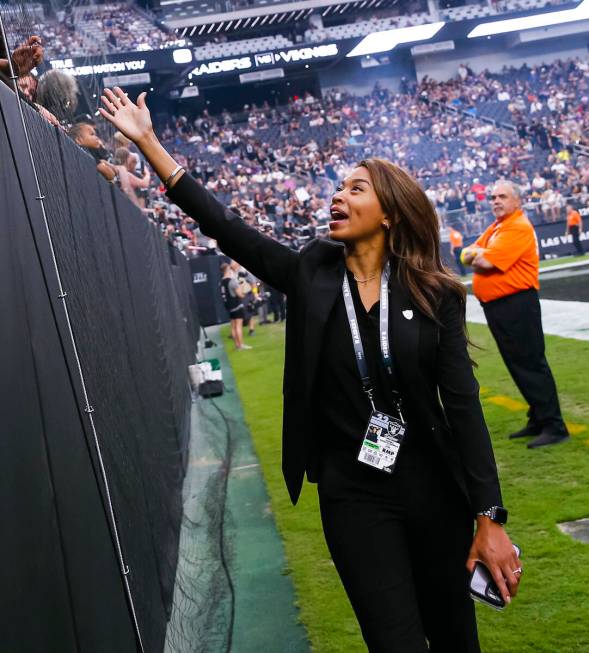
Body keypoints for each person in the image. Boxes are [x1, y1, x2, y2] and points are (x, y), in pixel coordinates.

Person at [99, 87, 522, 652]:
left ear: (390, 212)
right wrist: (149, 143)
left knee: (453, 639)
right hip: (353, 494)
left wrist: (489, 517)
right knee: (393, 641)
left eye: (356, 189)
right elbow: (226, 227)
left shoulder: (434, 293)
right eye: (337, 188)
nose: (337, 197)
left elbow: (463, 407)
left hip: (432, 489)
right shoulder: (312, 272)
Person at [462, 181, 569, 449]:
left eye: (502, 196)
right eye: (492, 197)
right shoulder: (496, 228)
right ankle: (538, 417)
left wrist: (479, 254)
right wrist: (477, 253)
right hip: (501, 306)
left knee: (530, 363)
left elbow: (484, 262)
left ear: (517, 201)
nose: (495, 201)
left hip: (517, 303)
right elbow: (465, 254)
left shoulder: (518, 226)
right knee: (517, 364)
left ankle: (554, 426)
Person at [220, 261, 251, 350]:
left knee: (233, 326)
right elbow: (240, 294)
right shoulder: (231, 281)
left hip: (229, 307)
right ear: (228, 269)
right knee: (238, 326)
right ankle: (241, 345)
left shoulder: (222, 282)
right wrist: (241, 285)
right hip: (236, 306)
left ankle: (237, 345)